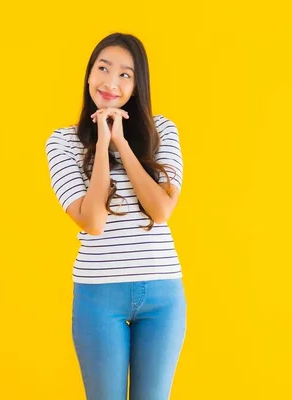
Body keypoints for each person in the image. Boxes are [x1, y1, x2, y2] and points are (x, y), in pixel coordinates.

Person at [45, 32, 187, 400]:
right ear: (88, 76)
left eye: (125, 74)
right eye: (103, 69)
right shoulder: (62, 142)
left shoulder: (163, 131)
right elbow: (93, 222)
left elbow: (161, 210)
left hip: (162, 294)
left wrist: (122, 143)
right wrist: (103, 143)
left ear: (137, 85)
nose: (111, 82)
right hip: (98, 296)